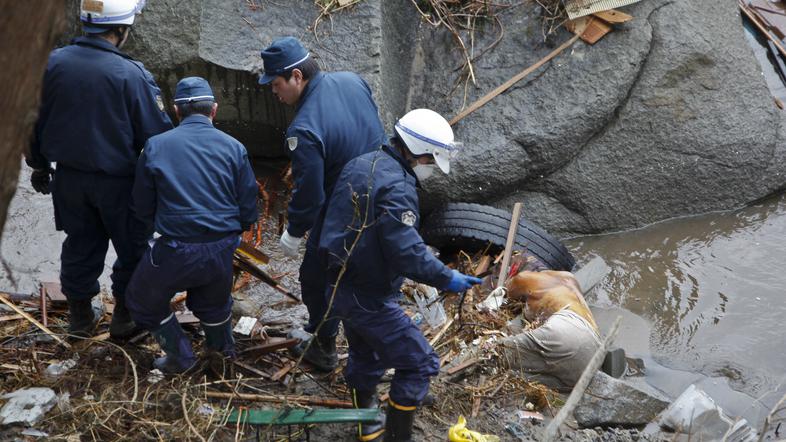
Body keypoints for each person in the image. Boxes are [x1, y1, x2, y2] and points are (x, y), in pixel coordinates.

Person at [319, 109, 483, 441]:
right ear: (416, 151)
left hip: (340, 283)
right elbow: (405, 250)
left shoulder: (361, 164)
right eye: (431, 161)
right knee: (420, 363)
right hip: (368, 294)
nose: (432, 168)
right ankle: (397, 436)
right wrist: (445, 277)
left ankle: (367, 426)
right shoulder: (397, 187)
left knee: (365, 353)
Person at [25, 0, 173, 339]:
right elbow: (156, 138)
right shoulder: (131, 75)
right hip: (121, 185)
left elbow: (31, 121)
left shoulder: (52, 64)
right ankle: (124, 318)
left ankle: (80, 319)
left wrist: (39, 165)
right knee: (134, 250)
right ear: (121, 29)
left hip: (69, 179)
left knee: (80, 244)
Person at [258, 36, 386, 371]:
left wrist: (295, 231)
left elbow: (310, 193)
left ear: (297, 77)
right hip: (384, 187)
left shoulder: (303, 129)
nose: (274, 92)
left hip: (346, 206)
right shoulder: (353, 80)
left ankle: (325, 345)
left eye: (276, 84)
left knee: (315, 275)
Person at [124, 77, 258, 374]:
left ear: (175, 111)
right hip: (222, 245)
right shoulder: (235, 147)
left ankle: (180, 357)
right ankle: (222, 356)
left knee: (142, 300)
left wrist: (147, 238)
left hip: (175, 247)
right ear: (214, 110)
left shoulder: (156, 146)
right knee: (214, 303)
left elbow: (141, 205)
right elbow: (248, 205)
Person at [499, 268, 602, 388]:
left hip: (566, 331)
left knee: (489, 352)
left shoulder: (532, 279)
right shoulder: (570, 279)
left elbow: (510, 288)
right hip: (594, 352)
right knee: (521, 376)